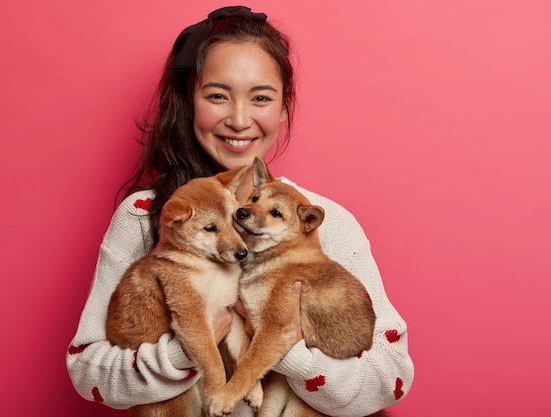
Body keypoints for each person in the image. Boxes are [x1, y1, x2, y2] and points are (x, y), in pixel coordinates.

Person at [66, 6, 414, 416]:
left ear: (283, 109)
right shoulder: (146, 216)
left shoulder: (327, 223)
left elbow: (390, 379)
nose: (238, 119)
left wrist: (284, 348)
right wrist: (183, 350)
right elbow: (87, 370)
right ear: (189, 103)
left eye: (261, 98)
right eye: (217, 96)